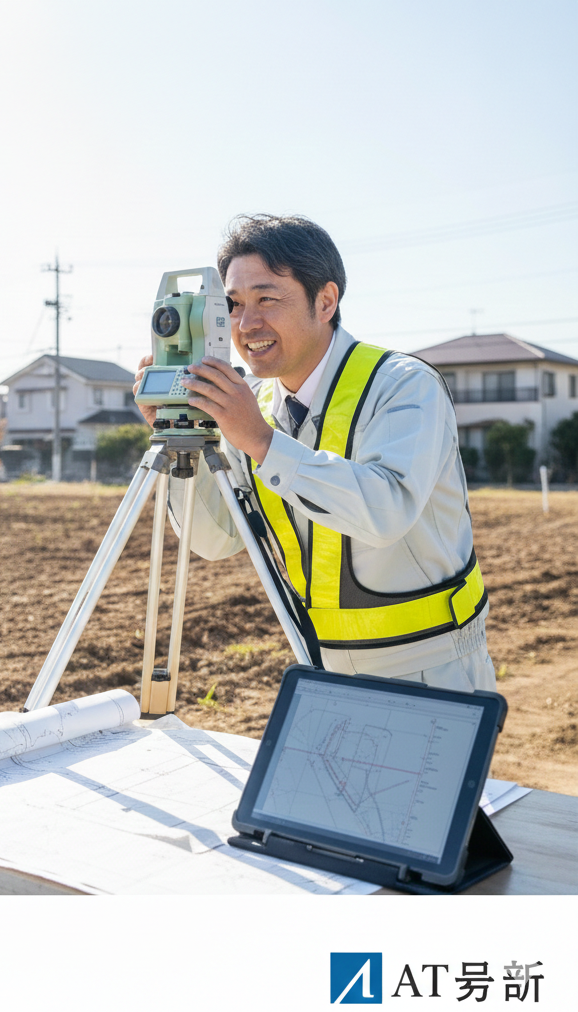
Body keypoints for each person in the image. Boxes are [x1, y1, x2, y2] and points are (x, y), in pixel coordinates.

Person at [133, 214, 495, 692]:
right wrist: (184, 437)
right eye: (234, 305)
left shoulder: (405, 385)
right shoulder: (254, 406)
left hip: (430, 665)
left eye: (267, 299)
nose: (247, 324)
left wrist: (262, 442)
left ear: (325, 301)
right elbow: (215, 541)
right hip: (317, 664)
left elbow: (385, 511)